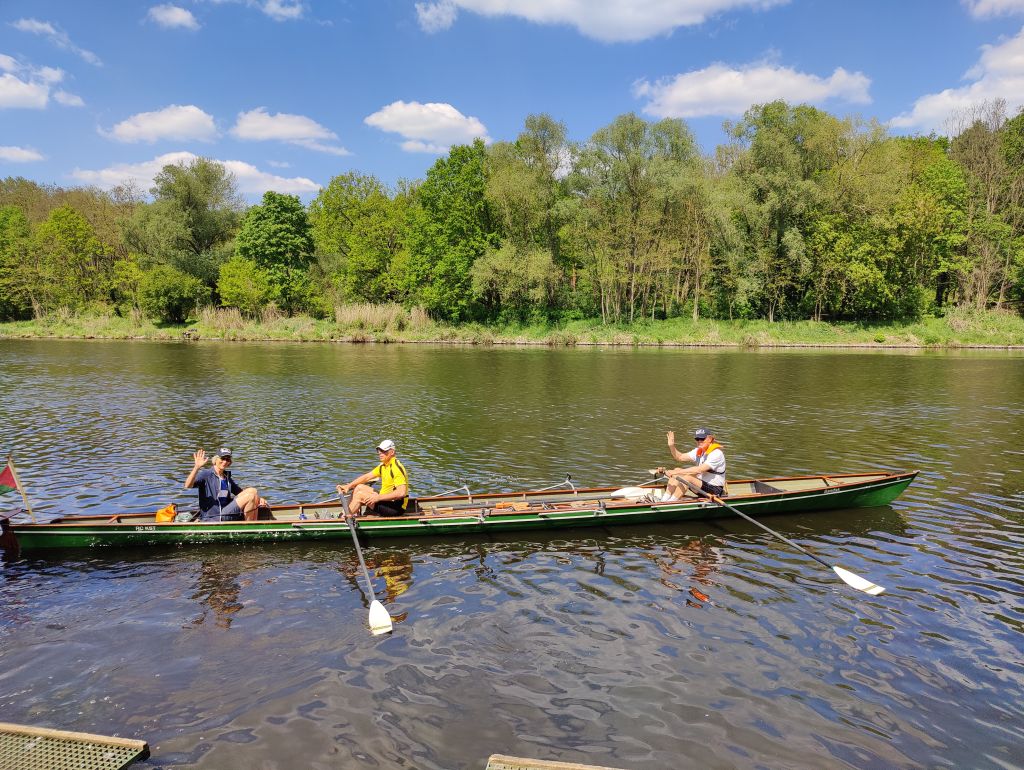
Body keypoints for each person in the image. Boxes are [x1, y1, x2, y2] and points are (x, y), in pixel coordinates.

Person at [184, 447, 267, 522]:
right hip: (215, 516)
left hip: (227, 510)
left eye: (227, 460)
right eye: (222, 458)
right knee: (250, 496)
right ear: (215, 459)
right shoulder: (206, 474)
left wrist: (258, 499)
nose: (225, 462)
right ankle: (250, 526)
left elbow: (240, 493)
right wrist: (196, 467)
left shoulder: (226, 477)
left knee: (253, 491)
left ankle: (252, 522)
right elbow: (188, 485)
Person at [336, 439, 409, 517]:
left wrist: (378, 497)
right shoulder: (383, 466)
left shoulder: (396, 468)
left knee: (360, 495)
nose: (380, 453)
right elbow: (367, 477)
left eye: (384, 451)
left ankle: (342, 518)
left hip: (395, 508)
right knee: (359, 487)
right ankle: (344, 513)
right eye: (379, 451)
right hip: (385, 500)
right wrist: (349, 486)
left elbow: (401, 493)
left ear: (392, 452)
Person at [656, 427, 727, 501]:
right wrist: (671, 446)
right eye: (697, 439)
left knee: (687, 477)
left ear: (710, 439)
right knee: (677, 470)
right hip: (701, 486)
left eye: (702, 439)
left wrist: (676, 472)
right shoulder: (699, 451)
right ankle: (664, 500)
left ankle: (671, 502)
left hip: (715, 490)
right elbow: (680, 457)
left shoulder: (716, 453)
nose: (699, 441)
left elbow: (700, 469)